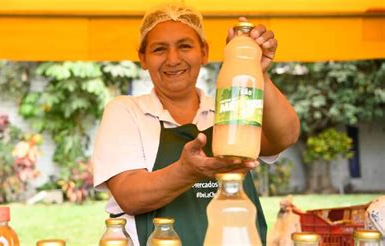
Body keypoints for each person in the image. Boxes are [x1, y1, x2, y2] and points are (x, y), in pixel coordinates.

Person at [93, 3, 300, 246]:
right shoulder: (127, 111)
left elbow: (284, 136)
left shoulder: (231, 105)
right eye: (159, 49)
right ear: (143, 58)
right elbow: (130, 196)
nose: (173, 59)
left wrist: (257, 72)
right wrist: (188, 171)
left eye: (185, 46)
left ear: (204, 52)